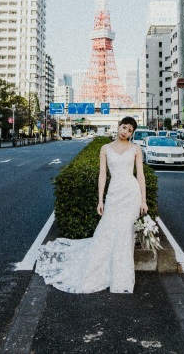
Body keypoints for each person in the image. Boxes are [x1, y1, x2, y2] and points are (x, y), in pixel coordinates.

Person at [36, 116, 148, 294]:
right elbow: (102, 175)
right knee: (107, 231)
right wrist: (100, 200)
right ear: (119, 125)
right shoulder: (105, 148)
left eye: (129, 131)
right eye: (124, 127)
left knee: (125, 233)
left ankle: (122, 278)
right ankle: (102, 271)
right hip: (114, 194)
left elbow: (140, 175)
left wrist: (143, 200)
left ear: (132, 134)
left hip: (131, 194)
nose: (125, 132)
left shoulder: (135, 149)